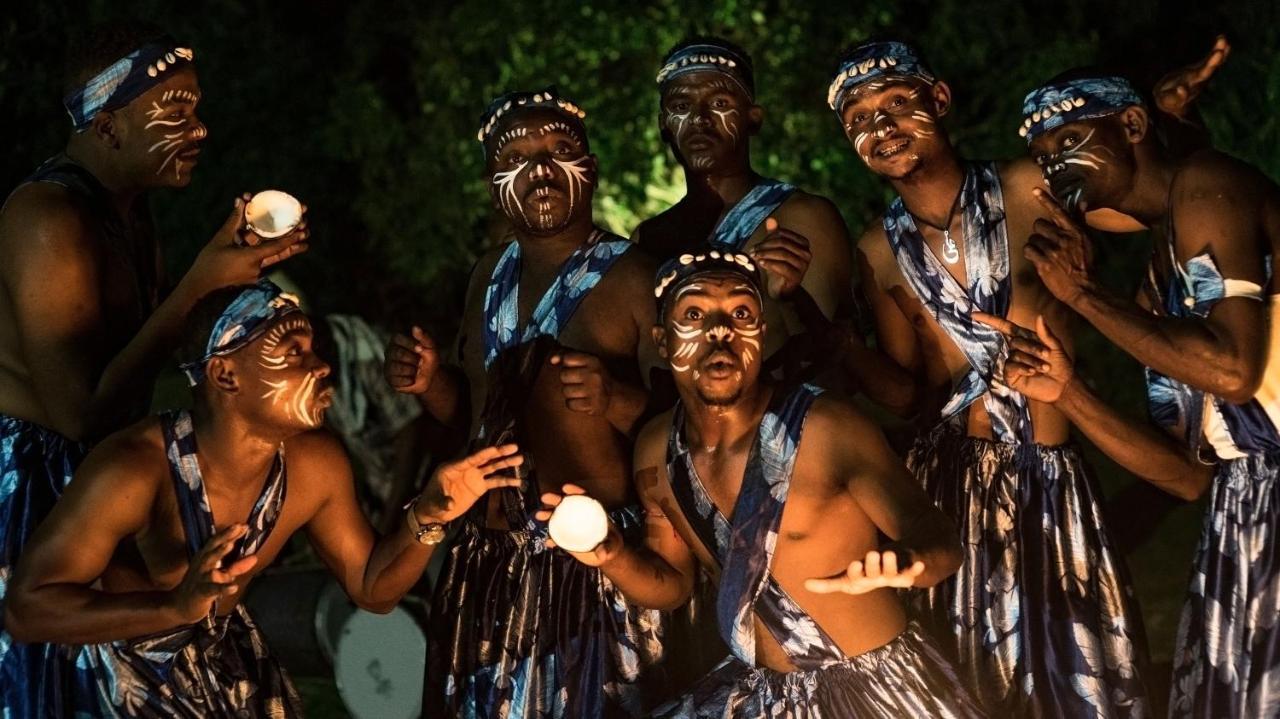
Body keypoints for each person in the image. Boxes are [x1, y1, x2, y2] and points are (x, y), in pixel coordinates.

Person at [3, 280, 520, 717]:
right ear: (225, 374)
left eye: (312, 349)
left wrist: (427, 517)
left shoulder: (314, 464)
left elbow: (372, 588)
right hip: (116, 682)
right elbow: (28, 610)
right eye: (293, 353)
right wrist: (174, 606)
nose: (319, 367)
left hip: (227, 670)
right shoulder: (135, 467)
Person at [828, 40, 1150, 715]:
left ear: (939, 100)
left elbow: (1141, 202)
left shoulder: (1029, 182)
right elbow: (909, 392)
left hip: (1049, 469)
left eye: (895, 104)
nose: (880, 127)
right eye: (858, 119)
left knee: (1082, 672)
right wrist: (827, 337)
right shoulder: (875, 250)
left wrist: (1155, 129)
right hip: (954, 483)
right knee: (983, 679)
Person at [0, 23, 307, 717]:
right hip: (28, 496)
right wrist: (196, 286)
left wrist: (231, 287)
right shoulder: (46, 217)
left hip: (101, 488)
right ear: (107, 125)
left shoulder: (129, 219)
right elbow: (79, 412)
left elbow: (153, 360)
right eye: (175, 111)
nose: (199, 129)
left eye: (195, 108)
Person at [539, 250, 985, 717]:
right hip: (766, 694)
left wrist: (910, 562)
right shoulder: (656, 450)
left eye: (741, 314)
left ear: (763, 335)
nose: (720, 334)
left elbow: (936, 534)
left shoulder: (825, 427)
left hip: (875, 690)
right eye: (694, 314)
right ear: (663, 342)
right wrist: (611, 554)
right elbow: (672, 586)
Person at [385, 88, 666, 717]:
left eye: (560, 150)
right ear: (494, 185)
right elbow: (476, 417)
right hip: (485, 560)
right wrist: (431, 383)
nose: (541, 169)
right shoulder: (490, 273)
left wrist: (615, 398)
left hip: (587, 563)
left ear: (590, 169)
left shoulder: (633, 277)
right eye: (518, 155)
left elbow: (682, 429)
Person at [1015, 71, 1280, 717]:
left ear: (1131, 127)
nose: (1057, 165)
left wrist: (1081, 294)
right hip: (1246, 518)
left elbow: (1233, 373)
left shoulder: (1207, 186)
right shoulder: (1151, 287)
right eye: (1044, 157)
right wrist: (1069, 391)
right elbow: (1189, 476)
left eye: (1071, 138)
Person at [633, 36, 857, 382]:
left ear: (753, 118)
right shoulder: (650, 237)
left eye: (719, 102)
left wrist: (790, 300)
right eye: (681, 106)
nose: (700, 120)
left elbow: (836, 366)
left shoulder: (801, 217)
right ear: (663, 124)